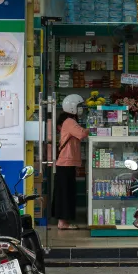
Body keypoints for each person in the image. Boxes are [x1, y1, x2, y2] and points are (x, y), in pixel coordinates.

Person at [54, 94, 88, 230]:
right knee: (66, 193)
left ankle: (63, 221)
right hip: (65, 163)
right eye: (79, 106)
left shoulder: (69, 121)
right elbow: (81, 134)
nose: (81, 109)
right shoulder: (70, 121)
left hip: (66, 163)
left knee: (66, 192)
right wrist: (95, 128)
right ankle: (63, 222)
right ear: (72, 107)